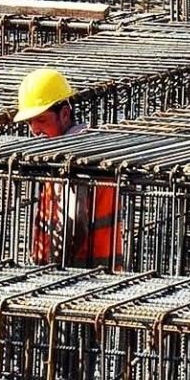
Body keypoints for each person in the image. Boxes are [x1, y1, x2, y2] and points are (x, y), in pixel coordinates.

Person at [15, 68, 122, 270]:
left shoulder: (76, 161)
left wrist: (51, 270)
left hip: (81, 274)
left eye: (42, 120)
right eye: (30, 122)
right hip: (97, 274)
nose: (35, 130)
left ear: (64, 114)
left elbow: (74, 226)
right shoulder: (60, 156)